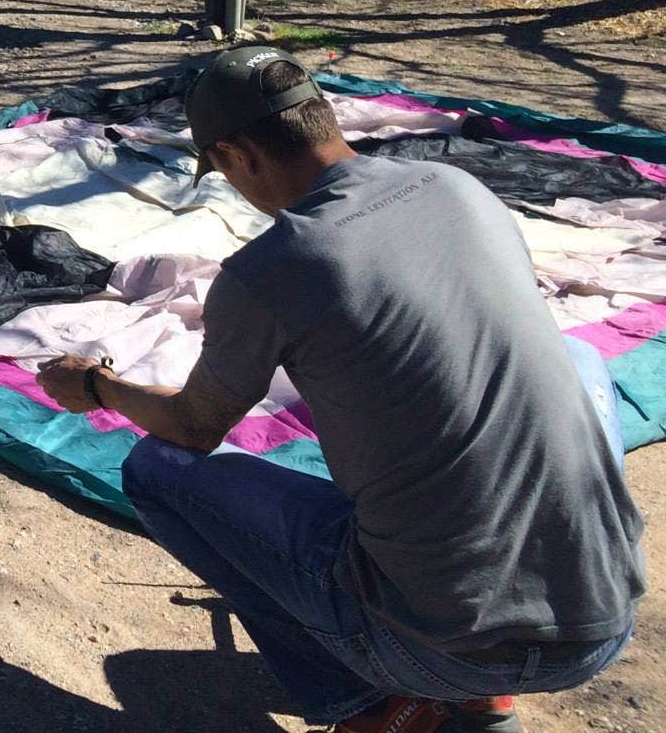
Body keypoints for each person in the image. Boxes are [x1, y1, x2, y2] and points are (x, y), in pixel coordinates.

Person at [37, 48, 646, 733]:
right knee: (577, 358)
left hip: (440, 643)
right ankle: (478, 678)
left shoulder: (272, 269)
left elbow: (193, 427)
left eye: (223, 173)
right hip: (603, 624)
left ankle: (365, 706)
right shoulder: (457, 188)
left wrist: (98, 385)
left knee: (157, 470)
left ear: (239, 157)